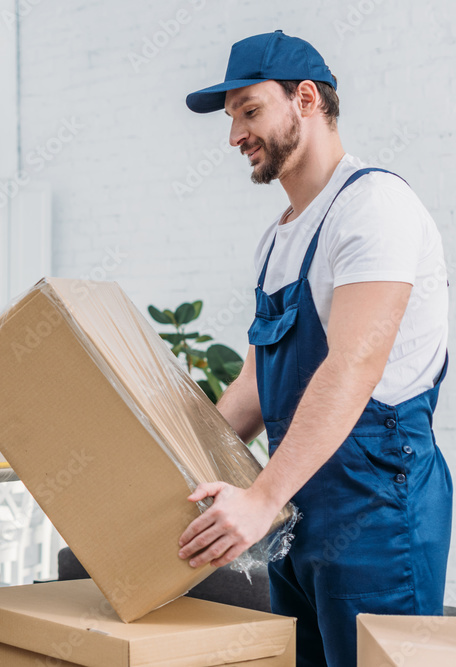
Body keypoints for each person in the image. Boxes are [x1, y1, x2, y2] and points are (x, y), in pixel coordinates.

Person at [177, 31, 452, 666]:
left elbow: (354, 365)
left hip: (377, 504)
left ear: (306, 99)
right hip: (299, 505)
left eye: (250, 111)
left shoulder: (373, 207)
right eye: (231, 119)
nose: (234, 135)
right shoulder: (277, 240)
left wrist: (264, 498)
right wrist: (173, 465)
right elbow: (255, 383)